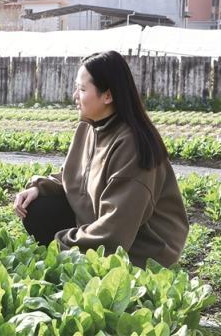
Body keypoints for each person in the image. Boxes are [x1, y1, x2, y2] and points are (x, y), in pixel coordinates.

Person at [13, 51, 188, 268]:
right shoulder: (90, 126)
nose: (75, 95)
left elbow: (116, 229)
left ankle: (97, 264)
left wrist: (57, 245)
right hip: (100, 223)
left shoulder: (132, 145)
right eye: (76, 87)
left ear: (108, 96)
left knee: (66, 241)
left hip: (140, 246)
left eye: (83, 89)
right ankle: (82, 256)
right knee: (38, 207)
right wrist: (41, 187)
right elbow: (78, 177)